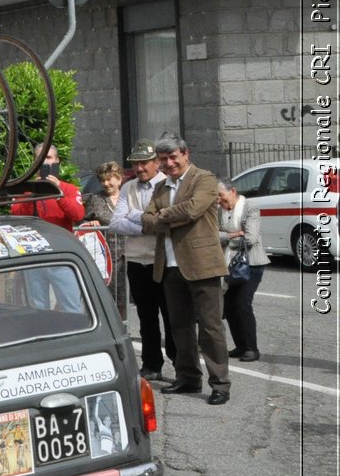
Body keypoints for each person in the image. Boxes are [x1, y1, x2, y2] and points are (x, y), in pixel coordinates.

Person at [141, 136, 230, 405]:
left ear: (185, 154)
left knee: (210, 328)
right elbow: (145, 221)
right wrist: (163, 217)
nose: (169, 164)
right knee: (179, 328)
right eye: (163, 159)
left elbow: (193, 210)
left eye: (173, 157)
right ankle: (188, 377)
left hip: (202, 265)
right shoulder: (160, 187)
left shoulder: (204, 179)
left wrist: (162, 216)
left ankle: (220, 385)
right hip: (169, 267)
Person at [109, 142, 176, 381]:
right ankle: (151, 364)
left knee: (170, 314)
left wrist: (138, 219)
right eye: (135, 163)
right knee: (146, 317)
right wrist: (147, 226)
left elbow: (165, 220)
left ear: (155, 162)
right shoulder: (128, 187)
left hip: (162, 258)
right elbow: (116, 222)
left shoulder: (166, 184)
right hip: (136, 259)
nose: (138, 168)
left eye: (143, 163)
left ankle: (179, 364)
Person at [217, 180, 268, 362]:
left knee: (242, 303)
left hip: (252, 263)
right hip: (230, 263)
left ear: (232, 191)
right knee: (229, 306)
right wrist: (233, 234)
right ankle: (240, 345)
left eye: (220, 195)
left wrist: (227, 238)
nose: (218, 200)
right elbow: (214, 235)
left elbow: (251, 238)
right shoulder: (219, 211)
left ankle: (252, 348)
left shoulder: (250, 207)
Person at [80, 160, 127, 319]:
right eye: (102, 180)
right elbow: (83, 222)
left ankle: (124, 329)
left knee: (125, 299)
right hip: (109, 257)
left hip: (130, 255)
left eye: (109, 179)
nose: (106, 183)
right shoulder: (96, 199)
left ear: (119, 178)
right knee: (110, 298)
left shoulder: (128, 195)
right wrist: (90, 223)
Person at [10, 144, 85, 229]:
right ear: (34, 161)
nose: (44, 162)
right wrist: (32, 192)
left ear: (57, 160)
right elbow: (16, 217)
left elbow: (78, 216)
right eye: (40, 158)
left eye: (48, 157)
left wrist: (58, 193)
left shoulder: (69, 189)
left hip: (59, 238)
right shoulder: (24, 188)